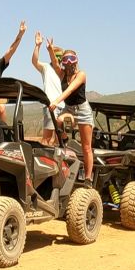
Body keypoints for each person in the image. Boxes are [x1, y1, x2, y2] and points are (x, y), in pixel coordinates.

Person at [48, 47, 94, 184]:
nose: (69, 62)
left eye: (71, 59)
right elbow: (54, 64)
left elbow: (70, 89)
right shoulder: (62, 74)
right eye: (65, 59)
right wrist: (50, 50)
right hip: (69, 109)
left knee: (86, 147)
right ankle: (65, 139)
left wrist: (56, 101)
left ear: (76, 60)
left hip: (83, 110)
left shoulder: (81, 75)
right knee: (58, 121)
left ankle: (87, 178)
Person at [30, 31, 63, 144]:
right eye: (55, 55)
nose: (57, 59)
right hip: (51, 105)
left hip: (63, 106)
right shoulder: (46, 67)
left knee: (60, 140)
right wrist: (37, 46)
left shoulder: (63, 72)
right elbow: (34, 62)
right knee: (47, 138)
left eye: (60, 56)